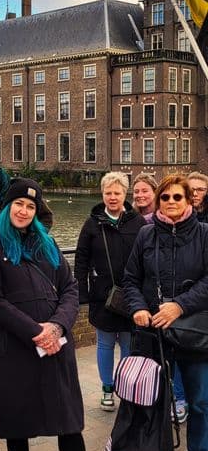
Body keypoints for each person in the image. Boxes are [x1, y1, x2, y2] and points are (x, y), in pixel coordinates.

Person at [0, 178, 127, 451]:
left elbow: (70, 289)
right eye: (18, 204)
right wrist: (35, 331)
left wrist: (57, 327)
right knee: (18, 423)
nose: (23, 211)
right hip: (15, 350)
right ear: (7, 207)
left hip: (54, 349)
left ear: (36, 211)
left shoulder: (48, 245)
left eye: (30, 207)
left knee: (68, 422)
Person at [123, 174, 208, 451]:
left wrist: (179, 306)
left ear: (189, 201)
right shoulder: (146, 235)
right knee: (152, 398)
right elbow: (131, 279)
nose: (171, 202)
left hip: (194, 332)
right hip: (153, 334)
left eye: (178, 197)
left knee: (200, 402)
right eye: (166, 197)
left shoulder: (203, 234)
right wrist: (137, 308)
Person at [74, 172, 145, 411]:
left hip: (132, 294)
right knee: (104, 343)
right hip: (102, 294)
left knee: (128, 343)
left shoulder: (138, 223)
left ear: (124, 194)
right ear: (102, 194)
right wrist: (81, 292)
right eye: (108, 193)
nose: (112, 197)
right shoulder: (92, 223)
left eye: (117, 193)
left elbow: (148, 257)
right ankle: (107, 388)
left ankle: (125, 388)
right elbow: (81, 260)